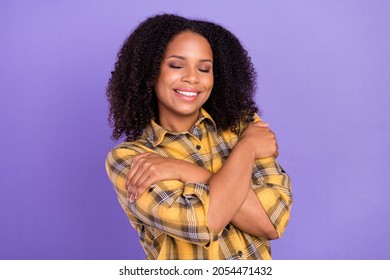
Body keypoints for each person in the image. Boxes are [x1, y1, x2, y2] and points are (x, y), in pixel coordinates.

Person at [105, 14, 292, 260]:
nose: (192, 78)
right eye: (176, 65)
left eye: (204, 68)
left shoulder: (244, 128)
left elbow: (271, 222)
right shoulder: (130, 160)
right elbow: (204, 223)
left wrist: (183, 170)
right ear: (150, 72)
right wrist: (248, 150)